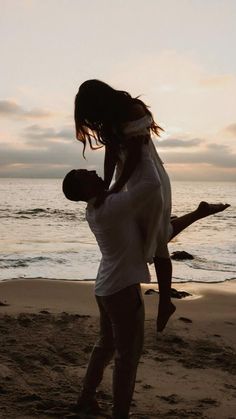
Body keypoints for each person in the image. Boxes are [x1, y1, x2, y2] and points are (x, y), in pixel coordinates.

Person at [62, 165, 229, 418]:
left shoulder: (97, 209)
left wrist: (197, 214)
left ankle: (86, 398)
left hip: (106, 287)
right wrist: (139, 148)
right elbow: (151, 183)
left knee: (106, 345)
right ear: (85, 189)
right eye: (88, 174)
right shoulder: (112, 206)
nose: (96, 172)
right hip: (121, 291)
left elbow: (158, 236)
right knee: (127, 358)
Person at [73, 79, 229, 332]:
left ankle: (166, 302)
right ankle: (198, 214)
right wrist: (107, 184)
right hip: (131, 182)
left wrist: (114, 187)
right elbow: (112, 153)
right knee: (156, 237)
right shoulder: (110, 119)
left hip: (149, 180)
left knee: (157, 243)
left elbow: (134, 156)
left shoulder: (132, 110)